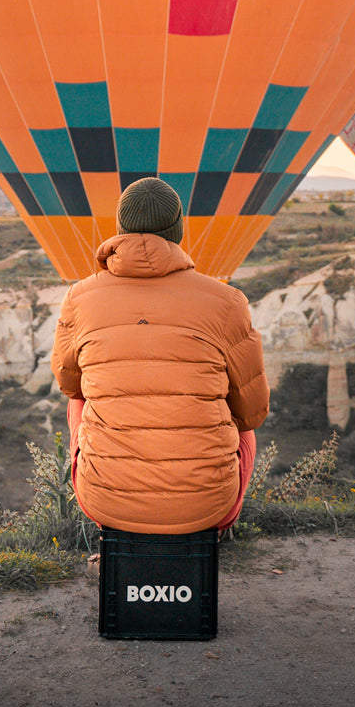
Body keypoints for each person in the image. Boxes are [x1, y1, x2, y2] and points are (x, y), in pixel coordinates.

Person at [51, 177, 269, 534]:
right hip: (209, 504)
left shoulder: (79, 296)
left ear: (120, 227)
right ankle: (207, 529)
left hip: (105, 501)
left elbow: (68, 382)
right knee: (241, 425)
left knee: (79, 400)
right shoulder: (227, 301)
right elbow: (253, 412)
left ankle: (119, 519)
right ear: (178, 230)